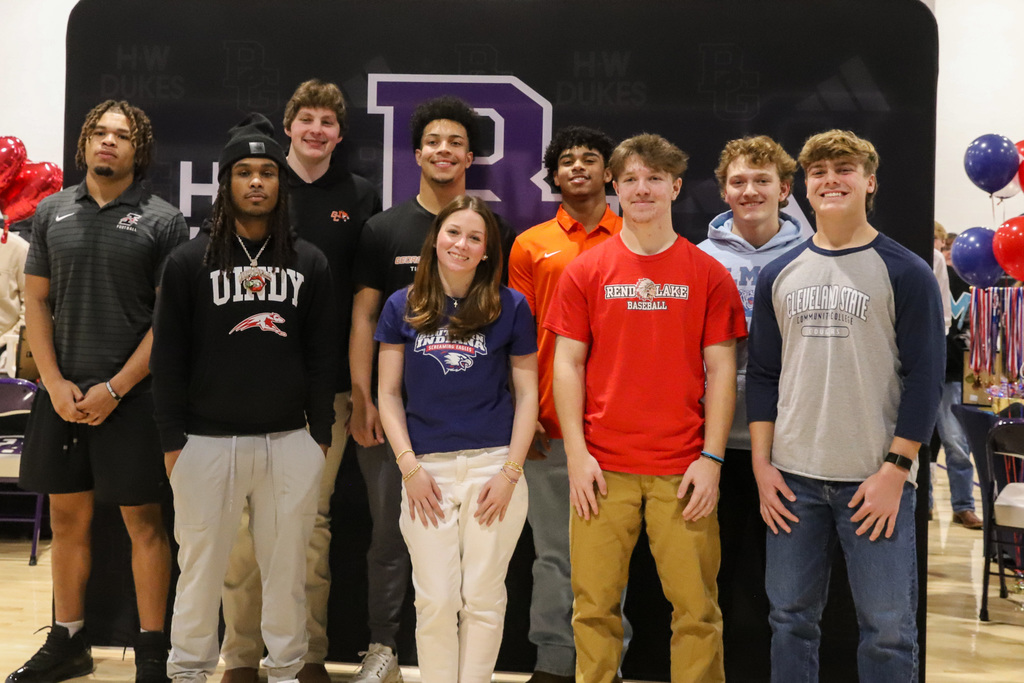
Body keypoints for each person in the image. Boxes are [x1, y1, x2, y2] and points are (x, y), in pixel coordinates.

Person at [746, 129, 945, 681]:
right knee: (789, 619)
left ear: (870, 181)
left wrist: (897, 469)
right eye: (819, 171)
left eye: (844, 168)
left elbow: (926, 380)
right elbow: (762, 376)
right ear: (803, 188)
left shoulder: (906, 272)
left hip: (874, 481)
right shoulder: (777, 274)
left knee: (886, 629)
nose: (831, 179)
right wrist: (762, 466)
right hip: (792, 482)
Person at [547, 133, 746, 683]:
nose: (642, 189)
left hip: (683, 469)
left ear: (675, 187)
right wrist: (577, 454)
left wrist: (711, 458)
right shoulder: (586, 271)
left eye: (655, 179)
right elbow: (567, 365)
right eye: (631, 178)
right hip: (602, 470)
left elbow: (722, 370)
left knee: (698, 612)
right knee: (592, 609)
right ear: (614, 184)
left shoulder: (708, 274)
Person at [151, 113, 337, 683]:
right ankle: (187, 672)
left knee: (286, 574)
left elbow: (321, 357)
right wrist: (171, 442)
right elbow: (168, 360)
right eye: (244, 173)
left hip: (288, 440)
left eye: (268, 173)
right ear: (225, 183)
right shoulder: (188, 261)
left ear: (282, 185)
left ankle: (284, 671)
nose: (257, 182)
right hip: (206, 442)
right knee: (201, 570)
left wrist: (319, 437)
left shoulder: (308, 261)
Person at [10, 100, 185, 683]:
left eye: (122, 136)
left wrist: (116, 386)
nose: (109, 143)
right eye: (100, 134)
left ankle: (154, 652)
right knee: (68, 522)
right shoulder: (52, 211)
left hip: (133, 400)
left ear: (140, 150)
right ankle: (69, 641)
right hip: (61, 400)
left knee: (146, 525)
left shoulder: (163, 220)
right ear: (84, 143)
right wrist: (55, 384)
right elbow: (36, 300)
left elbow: (170, 321)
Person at [218, 79, 381, 683]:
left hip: (330, 389)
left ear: (340, 134)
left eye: (328, 122)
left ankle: (309, 654)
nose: (317, 130)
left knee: (311, 525)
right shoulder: (258, 188)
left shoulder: (360, 196)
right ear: (289, 126)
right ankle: (239, 657)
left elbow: (366, 301)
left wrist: (360, 392)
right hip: (249, 386)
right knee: (242, 527)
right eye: (306, 118)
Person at [349, 95, 513, 682]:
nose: (444, 151)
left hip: (483, 438)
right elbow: (364, 318)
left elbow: (510, 341)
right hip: (402, 423)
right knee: (398, 546)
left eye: (455, 143)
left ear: (471, 155)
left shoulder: (499, 238)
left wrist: (513, 453)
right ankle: (383, 649)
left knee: (478, 583)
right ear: (417, 152)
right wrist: (363, 396)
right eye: (433, 142)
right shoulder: (384, 228)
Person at [375, 194, 537, 683]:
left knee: (484, 597)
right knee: (437, 600)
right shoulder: (402, 304)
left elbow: (528, 395)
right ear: (435, 238)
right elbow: (386, 394)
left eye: (474, 237)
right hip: (427, 472)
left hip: (494, 469)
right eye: (452, 233)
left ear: (487, 250)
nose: (461, 244)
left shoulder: (511, 305)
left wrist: (510, 472)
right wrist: (410, 470)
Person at [508, 125, 626, 683]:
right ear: (553, 177)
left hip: (620, 427)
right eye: (567, 161)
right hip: (552, 425)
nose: (578, 167)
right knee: (554, 556)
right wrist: (524, 417)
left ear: (609, 172)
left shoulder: (634, 236)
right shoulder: (531, 245)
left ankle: (606, 666)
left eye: (590, 159)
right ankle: (554, 664)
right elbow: (521, 338)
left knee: (611, 561)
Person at [696, 134, 809, 675]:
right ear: (723, 191)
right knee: (707, 580)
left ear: (785, 189)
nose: (749, 190)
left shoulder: (810, 254)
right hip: (710, 444)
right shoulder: (698, 258)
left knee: (780, 587)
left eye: (762, 180)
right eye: (738, 181)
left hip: (788, 444)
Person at [930, 221, 980, 528]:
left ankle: (963, 505)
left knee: (957, 444)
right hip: (928, 369)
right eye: (940, 244)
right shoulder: (928, 273)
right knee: (924, 446)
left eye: (942, 243)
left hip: (954, 374)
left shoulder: (973, 284)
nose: (940, 249)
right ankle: (926, 504)